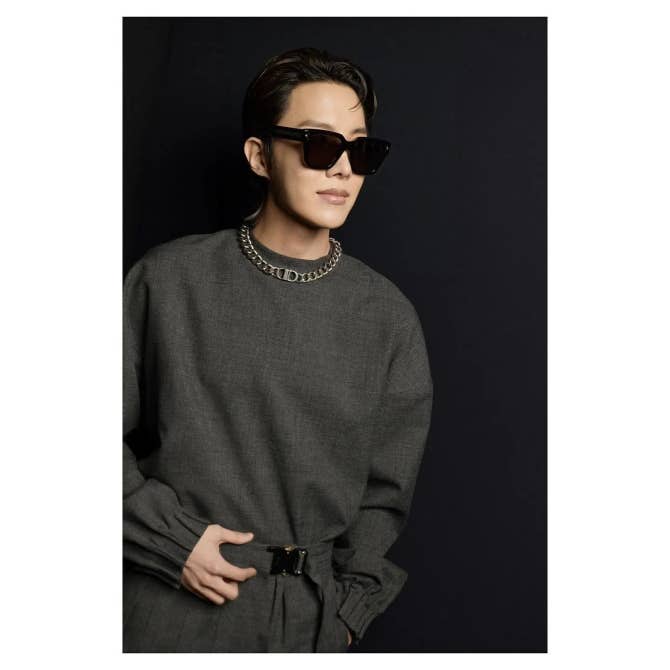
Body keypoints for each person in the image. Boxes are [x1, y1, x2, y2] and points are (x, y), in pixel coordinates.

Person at [123, 46, 434, 653]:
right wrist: (167, 538)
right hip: (170, 605)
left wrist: (347, 611)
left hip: (308, 624)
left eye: (360, 151)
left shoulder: (387, 316)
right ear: (259, 156)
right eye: (319, 145)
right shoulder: (171, 279)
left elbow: (385, 494)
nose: (342, 170)